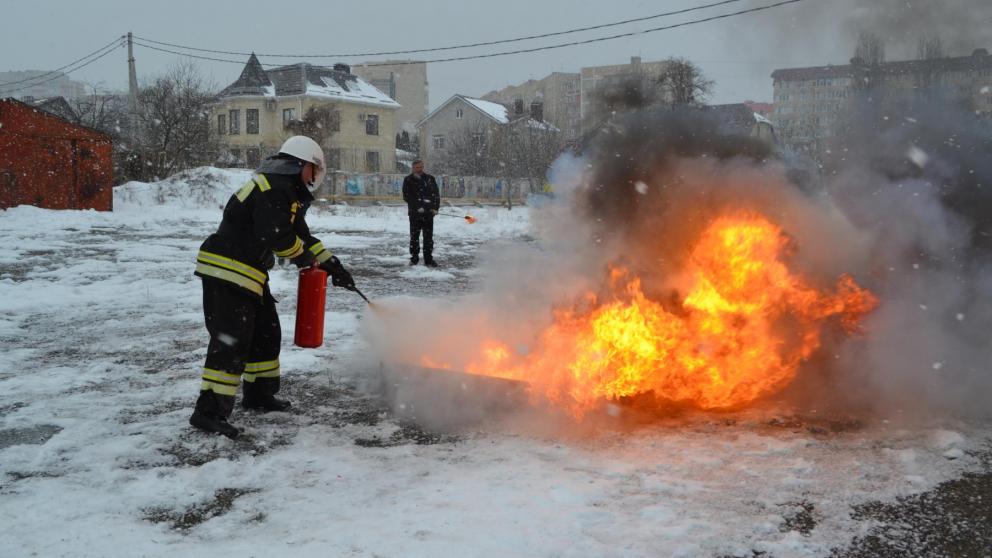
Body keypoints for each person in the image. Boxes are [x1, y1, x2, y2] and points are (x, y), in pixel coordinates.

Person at [189, 136, 355, 439]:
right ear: (301, 164)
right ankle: (208, 412)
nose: (315, 176)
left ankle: (259, 394)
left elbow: (300, 236)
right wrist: (305, 258)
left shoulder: (286, 192)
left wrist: (333, 265)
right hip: (228, 269)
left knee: (266, 332)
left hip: (247, 273)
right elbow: (278, 237)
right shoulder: (272, 188)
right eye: (314, 168)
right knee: (231, 342)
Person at [402, 159, 440, 267]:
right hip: (415, 214)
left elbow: (436, 195)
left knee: (428, 238)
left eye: (420, 167)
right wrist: (417, 207)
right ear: (413, 168)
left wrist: (435, 208)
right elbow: (406, 196)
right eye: (416, 167)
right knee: (414, 238)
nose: (419, 169)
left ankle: (428, 259)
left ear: (423, 167)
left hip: (428, 214)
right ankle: (414, 259)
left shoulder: (430, 179)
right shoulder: (408, 180)